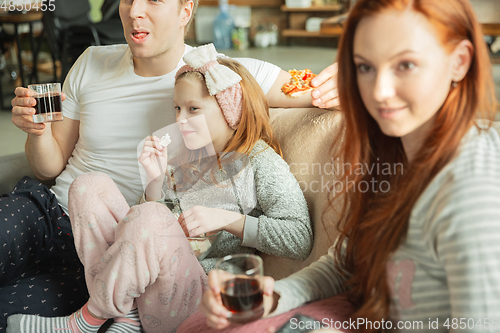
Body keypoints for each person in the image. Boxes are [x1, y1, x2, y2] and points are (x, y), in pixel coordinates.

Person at [1, 0, 338, 329]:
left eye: (192, 109)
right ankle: (124, 315)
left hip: (176, 279)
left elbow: (298, 236)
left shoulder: (231, 95)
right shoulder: (183, 152)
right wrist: (152, 183)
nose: (134, 12)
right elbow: (149, 224)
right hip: (85, 234)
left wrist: (351, 80)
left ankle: (91, 318)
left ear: (185, 10)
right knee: (89, 185)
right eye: (176, 110)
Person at [187, 0, 500, 332]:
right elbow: (344, 264)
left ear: (460, 62)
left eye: (405, 65)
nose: (379, 91)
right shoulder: (395, 153)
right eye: (365, 67)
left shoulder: (471, 185)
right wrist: (273, 297)